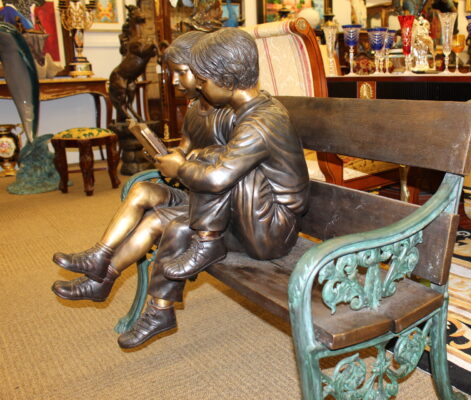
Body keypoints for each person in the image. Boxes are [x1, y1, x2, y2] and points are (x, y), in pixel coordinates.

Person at [116, 27, 310, 349]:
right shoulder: (246, 113)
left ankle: (208, 242)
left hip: (273, 231)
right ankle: (160, 310)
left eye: (204, 81)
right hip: (249, 220)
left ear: (226, 79)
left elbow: (219, 179)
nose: (200, 89)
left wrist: (181, 166)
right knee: (179, 227)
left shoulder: (262, 120)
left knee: (219, 167)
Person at [51, 30, 232, 302]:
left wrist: (185, 162)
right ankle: (99, 256)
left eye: (180, 72)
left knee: (151, 220)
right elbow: (184, 148)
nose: (174, 80)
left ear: (202, 69)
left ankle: (102, 278)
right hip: (194, 190)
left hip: (215, 205)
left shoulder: (229, 111)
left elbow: (228, 165)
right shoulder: (195, 110)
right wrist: (165, 155)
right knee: (140, 189)